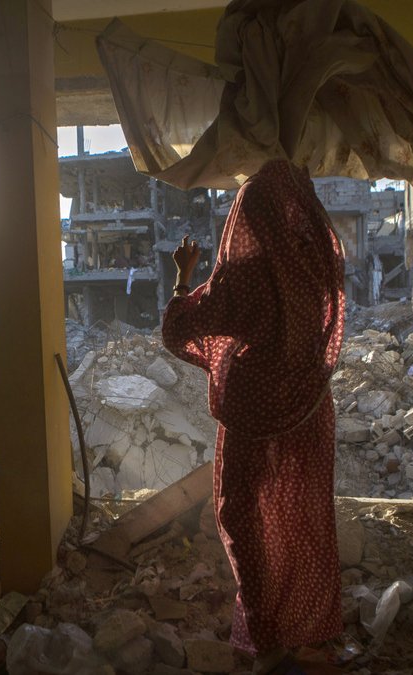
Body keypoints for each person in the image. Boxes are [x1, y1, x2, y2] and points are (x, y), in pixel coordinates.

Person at [162, 159, 345, 674]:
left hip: (254, 415)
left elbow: (181, 333)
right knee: (299, 519)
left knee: (244, 520)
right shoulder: (314, 265)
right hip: (307, 413)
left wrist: (183, 279)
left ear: (248, 218)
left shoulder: (243, 279)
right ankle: (308, 626)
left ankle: (269, 644)